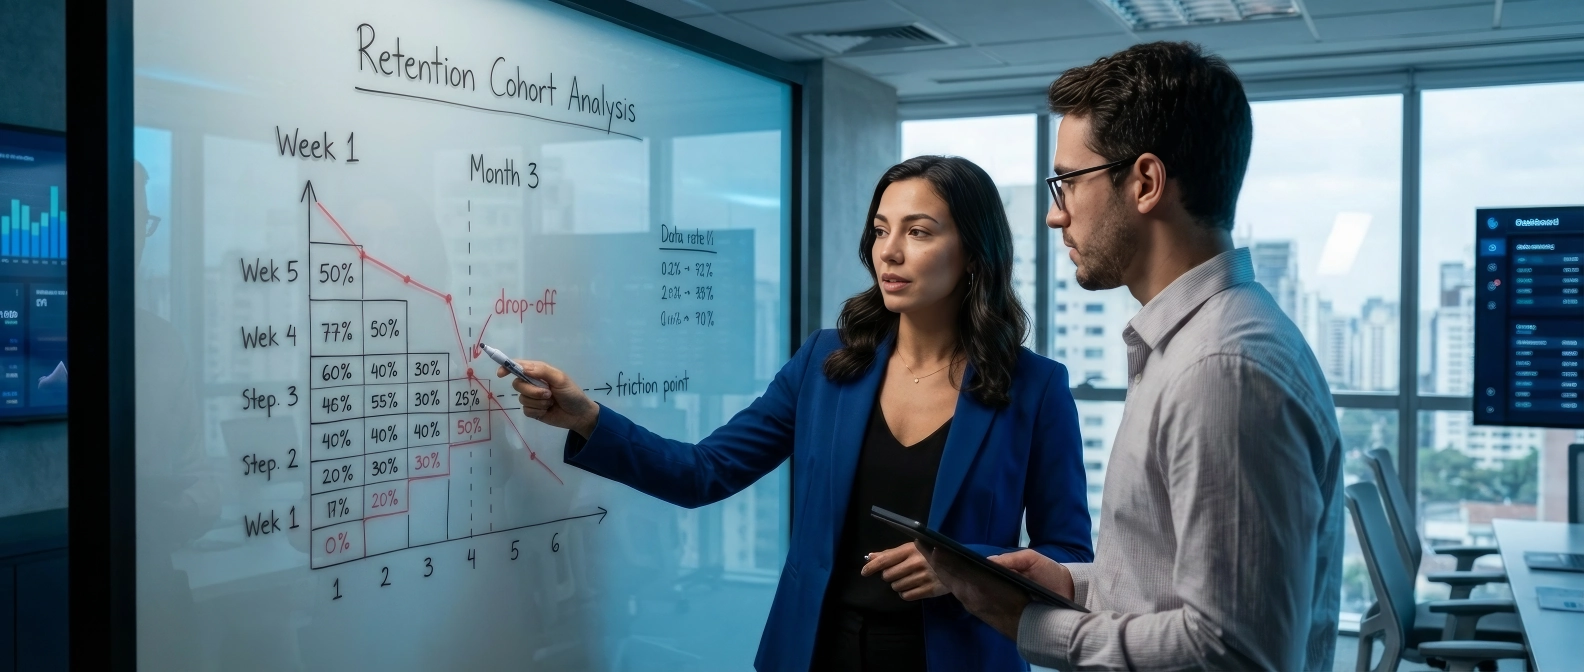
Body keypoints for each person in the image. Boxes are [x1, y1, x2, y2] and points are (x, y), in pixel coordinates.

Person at [503, 155, 1093, 671]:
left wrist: (969, 570)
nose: (888, 251)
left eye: (918, 232)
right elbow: (702, 472)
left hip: (957, 656)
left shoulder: (1037, 389)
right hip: (817, 650)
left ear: (972, 252)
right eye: (881, 229)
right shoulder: (826, 363)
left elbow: (1068, 557)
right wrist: (586, 418)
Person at [923, 42, 1344, 671]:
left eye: (1067, 181)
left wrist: (1033, 623)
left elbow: (1238, 652)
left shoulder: (1220, 370)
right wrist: (1071, 586)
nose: (1053, 213)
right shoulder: (1191, 346)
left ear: (1145, 182)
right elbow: (1175, 589)